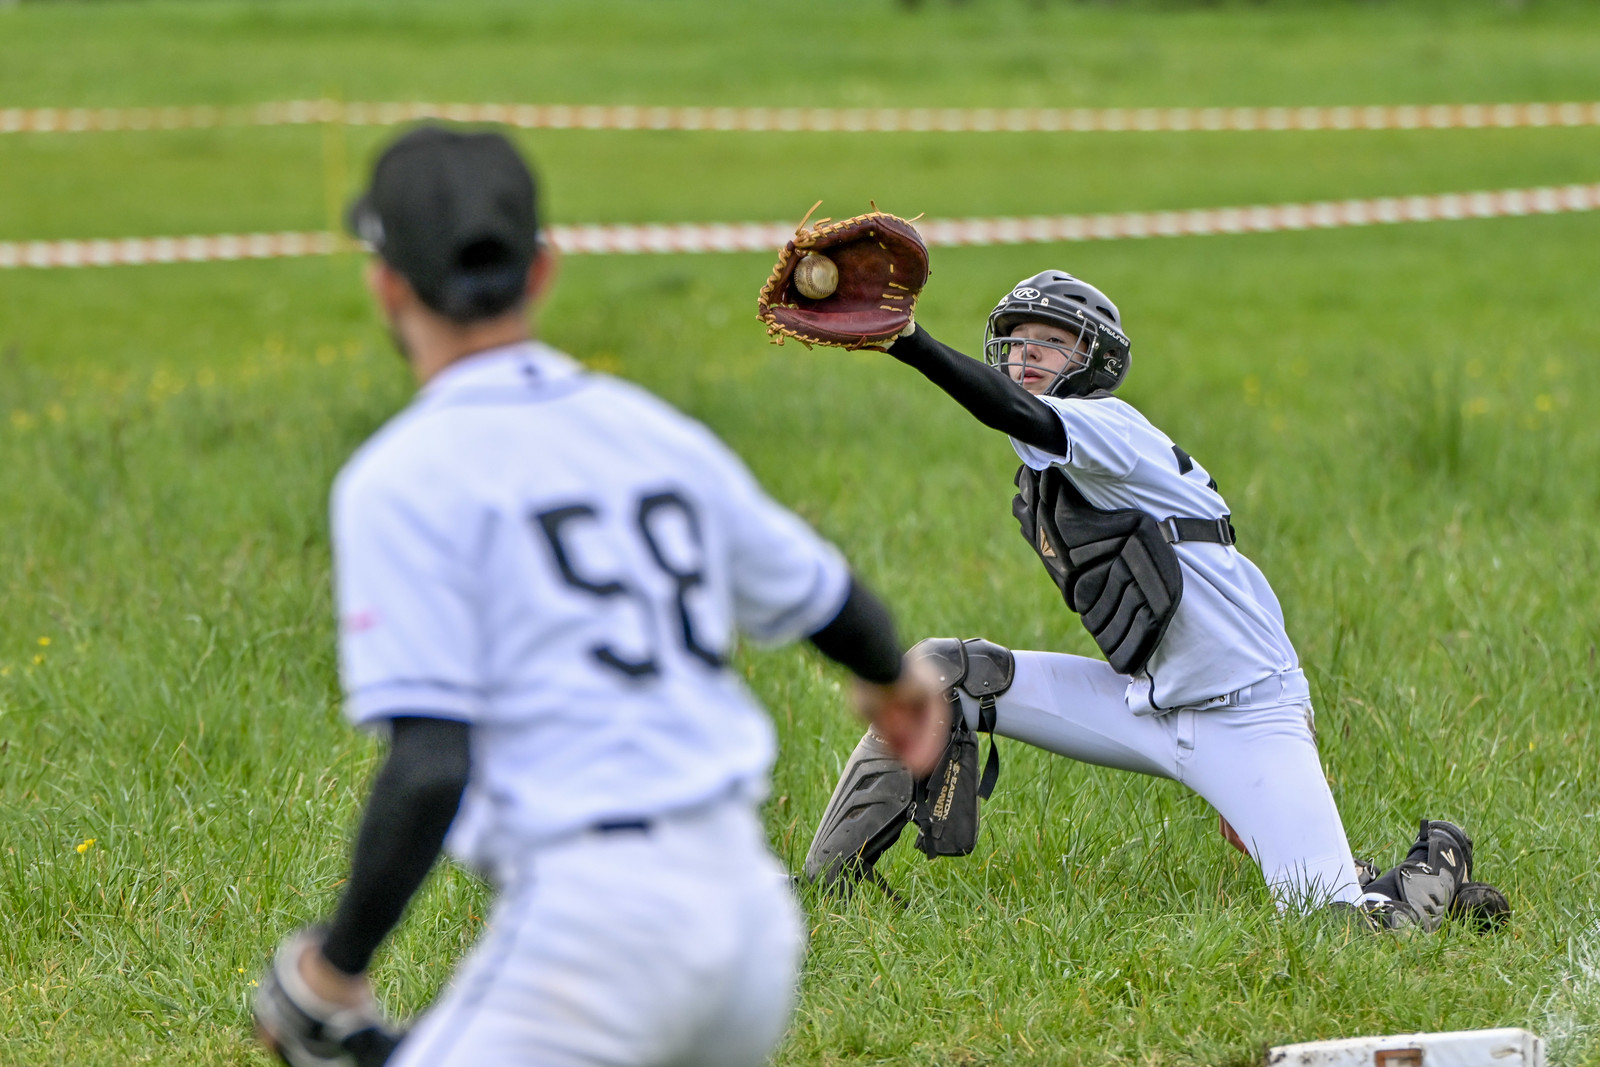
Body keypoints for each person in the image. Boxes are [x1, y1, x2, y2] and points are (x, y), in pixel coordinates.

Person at [252, 125, 949, 1067]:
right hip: (749, 923)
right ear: (542, 269)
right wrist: (895, 688)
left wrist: (336, 968)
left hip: (596, 926)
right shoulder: (652, 433)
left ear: (386, 286)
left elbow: (430, 765)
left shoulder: (402, 476)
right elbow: (837, 606)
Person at [801, 268, 1508, 931]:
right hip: (1149, 705)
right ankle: (826, 887)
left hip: (1247, 714)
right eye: (1017, 341)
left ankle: (1436, 864)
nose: (1027, 354)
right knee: (946, 672)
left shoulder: (1107, 425)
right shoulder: (1060, 458)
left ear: (1096, 359)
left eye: (1052, 340)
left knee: (1332, 926)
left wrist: (908, 341)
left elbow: (1009, 409)